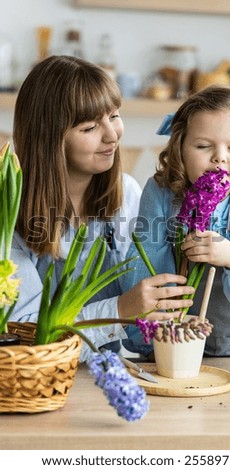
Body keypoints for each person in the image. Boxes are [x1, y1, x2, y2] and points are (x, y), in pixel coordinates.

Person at [10, 55, 195, 360]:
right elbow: (26, 336)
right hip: (38, 384)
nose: (112, 135)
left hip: (107, 375)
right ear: (50, 138)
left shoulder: (127, 194)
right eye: (90, 127)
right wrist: (121, 308)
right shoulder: (10, 214)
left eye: (114, 116)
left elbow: (141, 332)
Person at [122, 85, 230, 357]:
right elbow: (142, 264)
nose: (220, 156)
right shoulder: (160, 193)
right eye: (204, 146)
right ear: (180, 148)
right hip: (172, 345)